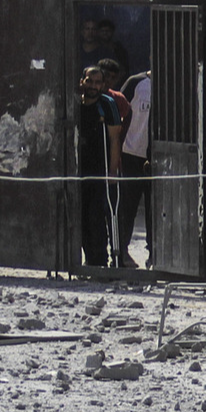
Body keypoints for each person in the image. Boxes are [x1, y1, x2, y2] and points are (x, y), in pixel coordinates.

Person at [75, 66, 125, 267]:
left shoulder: (108, 105)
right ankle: (88, 259)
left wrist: (112, 172)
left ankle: (102, 260)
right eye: (90, 81)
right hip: (79, 169)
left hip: (100, 168)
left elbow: (114, 139)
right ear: (82, 82)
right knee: (81, 215)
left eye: (97, 82)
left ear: (103, 85)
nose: (93, 86)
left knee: (97, 215)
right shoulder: (75, 103)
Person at [114, 70, 154, 269]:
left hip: (158, 156)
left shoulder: (172, 84)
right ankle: (121, 252)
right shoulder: (136, 83)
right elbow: (119, 109)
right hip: (132, 153)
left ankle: (155, 255)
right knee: (127, 207)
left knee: (156, 209)